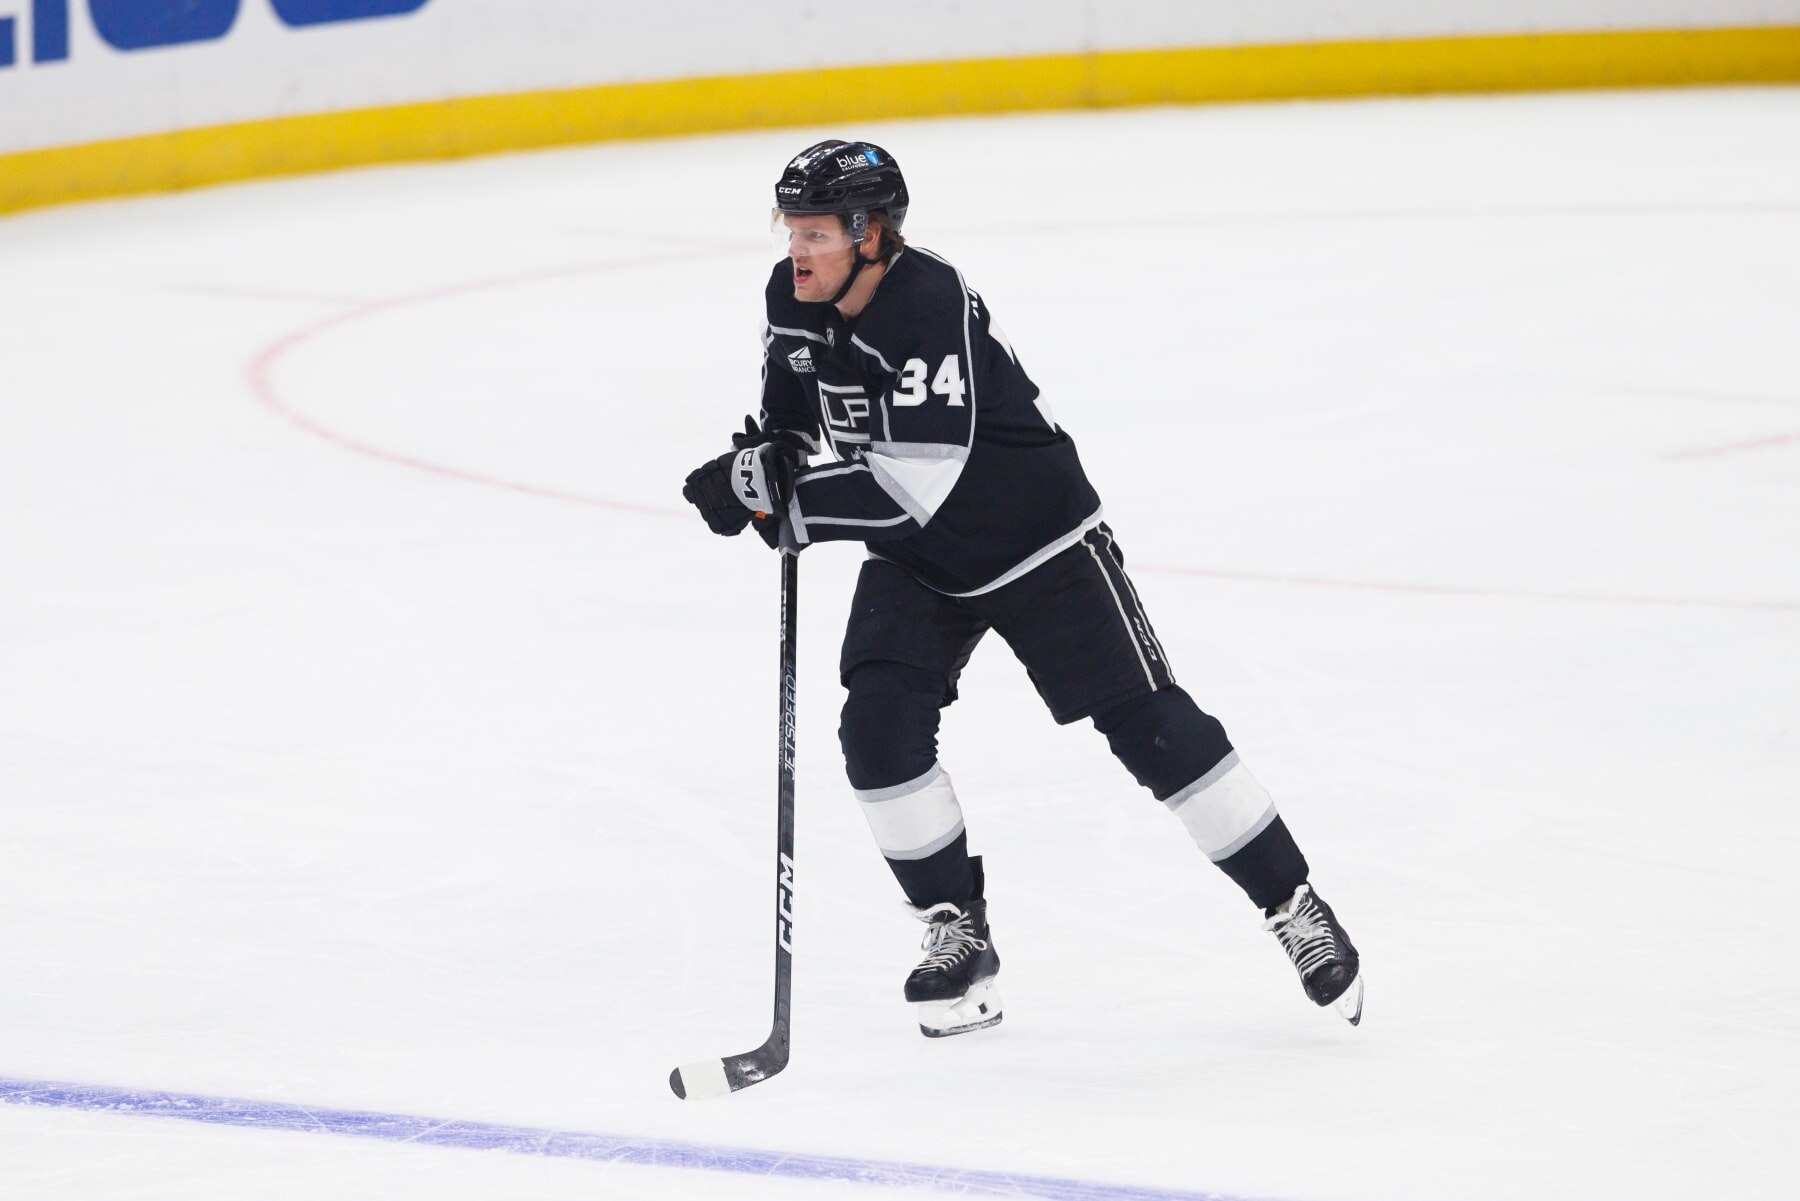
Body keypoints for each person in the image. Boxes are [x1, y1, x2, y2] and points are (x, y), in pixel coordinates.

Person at [682, 140, 1363, 1037]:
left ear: (872, 234)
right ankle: (956, 933)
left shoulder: (927, 302)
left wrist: (784, 505)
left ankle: (1292, 902)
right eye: (791, 229)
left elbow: (910, 484)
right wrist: (762, 459)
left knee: (1152, 729)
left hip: (1038, 542)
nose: (797, 250)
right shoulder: (791, 296)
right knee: (877, 732)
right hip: (923, 563)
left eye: (817, 232)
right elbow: (792, 418)